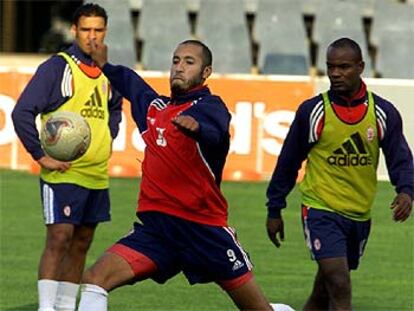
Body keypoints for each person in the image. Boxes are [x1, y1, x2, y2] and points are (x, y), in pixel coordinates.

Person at [74, 39, 289, 311]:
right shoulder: (156, 110)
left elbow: (217, 130)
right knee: (95, 279)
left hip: (203, 231)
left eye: (189, 62)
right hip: (158, 232)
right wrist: (104, 65)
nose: (179, 67)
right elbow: (132, 83)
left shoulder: (210, 106)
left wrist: (197, 128)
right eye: (176, 61)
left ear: (205, 72)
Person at [265, 37, 414, 311]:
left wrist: (406, 190)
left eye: (343, 67)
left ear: (360, 67)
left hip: (358, 213)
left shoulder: (383, 112)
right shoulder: (313, 111)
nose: (334, 73)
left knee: (324, 292)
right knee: (339, 283)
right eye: (330, 67)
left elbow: (400, 157)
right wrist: (275, 208)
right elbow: (288, 162)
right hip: (320, 208)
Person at [11, 4, 122, 311]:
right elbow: (22, 112)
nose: (93, 37)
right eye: (86, 30)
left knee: (82, 243)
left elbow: (115, 106)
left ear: (106, 31)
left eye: (98, 30)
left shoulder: (107, 70)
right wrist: (40, 155)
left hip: (97, 174)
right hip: (63, 172)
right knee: (59, 238)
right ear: (75, 31)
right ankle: (46, 308)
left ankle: (64, 307)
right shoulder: (57, 67)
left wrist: (110, 133)